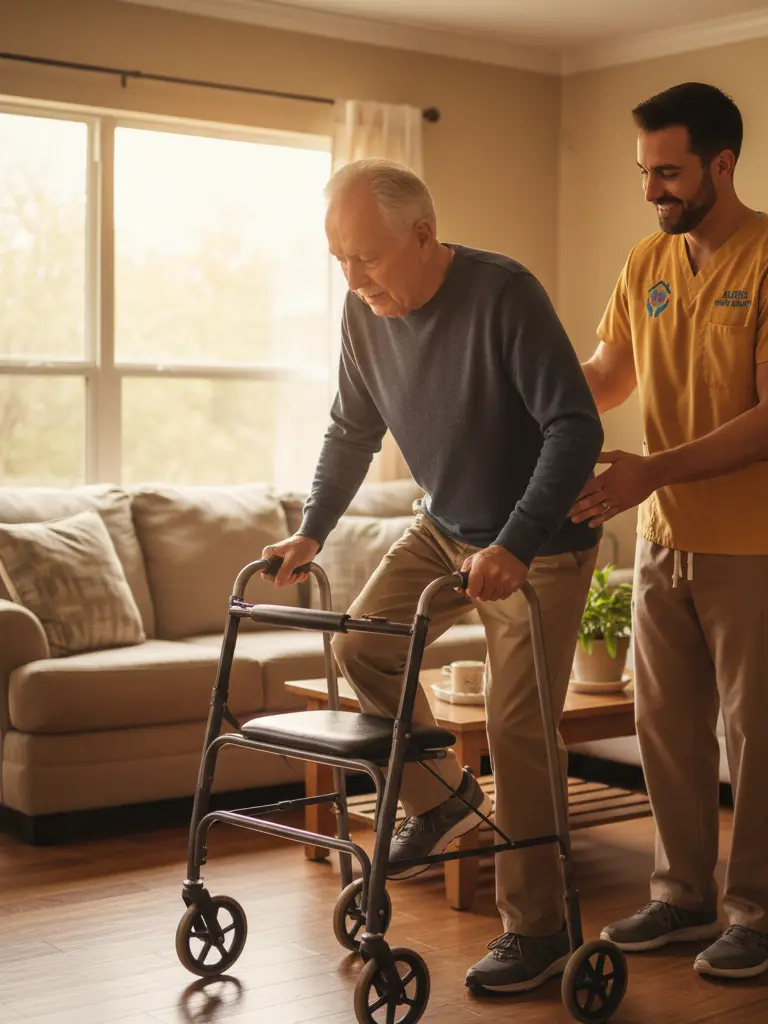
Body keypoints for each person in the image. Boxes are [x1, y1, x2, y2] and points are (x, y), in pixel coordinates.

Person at [263, 158, 604, 994]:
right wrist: (311, 529)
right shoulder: (363, 313)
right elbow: (352, 428)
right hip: (444, 528)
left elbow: (574, 427)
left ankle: (538, 929)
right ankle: (444, 797)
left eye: (367, 257)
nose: (353, 278)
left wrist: (517, 543)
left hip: (539, 544)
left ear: (423, 235)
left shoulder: (504, 294)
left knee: (517, 728)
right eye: (339, 259)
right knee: (365, 648)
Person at [570, 82, 768, 979]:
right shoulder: (647, 261)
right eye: (645, 172)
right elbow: (607, 376)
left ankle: (760, 917)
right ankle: (681, 898)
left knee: (759, 743)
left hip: (760, 546)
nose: (652, 191)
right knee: (667, 731)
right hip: (665, 542)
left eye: (670, 173)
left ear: (722, 164)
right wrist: (528, 392)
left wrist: (650, 471)